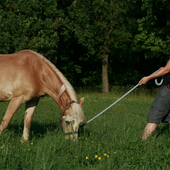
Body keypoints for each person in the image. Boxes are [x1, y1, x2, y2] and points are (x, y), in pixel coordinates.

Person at [139, 59, 170, 140]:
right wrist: (165, 68)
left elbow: (167, 70)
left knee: (154, 116)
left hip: (168, 90)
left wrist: (148, 77)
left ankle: (142, 144)